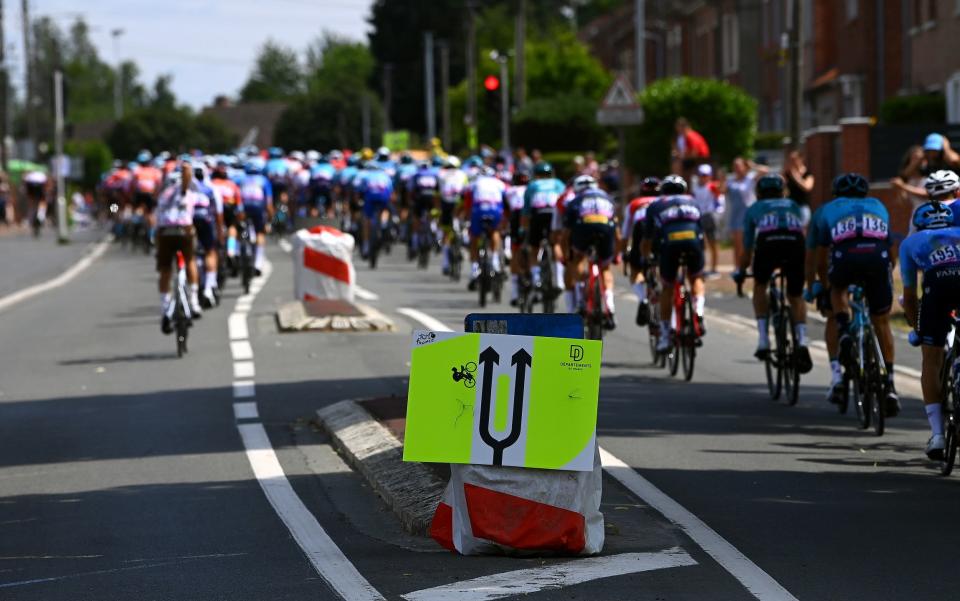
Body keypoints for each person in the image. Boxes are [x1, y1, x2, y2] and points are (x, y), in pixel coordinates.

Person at [808, 173, 900, 416]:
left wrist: (821, 284)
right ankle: (889, 383)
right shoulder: (878, 205)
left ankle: (844, 329)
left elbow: (818, 256)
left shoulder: (826, 209)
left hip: (845, 255)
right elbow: (891, 252)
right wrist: (886, 273)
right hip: (877, 257)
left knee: (837, 291)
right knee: (881, 320)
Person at [901, 195, 960, 459]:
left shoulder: (911, 242)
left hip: (936, 288)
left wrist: (916, 328)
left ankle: (937, 435)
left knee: (931, 359)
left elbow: (910, 296)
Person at [733, 174, 812, 372]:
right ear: (782, 191)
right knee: (795, 295)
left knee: (760, 285)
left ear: (758, 193)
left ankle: (763, 340)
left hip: (768, 244)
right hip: (795, 244)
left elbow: (748, 247)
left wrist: (742, 271)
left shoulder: (754, 209)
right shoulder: (793, 205)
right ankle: (802, 341)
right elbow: (802, 231)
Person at [644, 175, 706, 352]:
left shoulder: (655, 205)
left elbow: (647, 239)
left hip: (670, 245)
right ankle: (699, 312)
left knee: (668, 288)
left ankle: (665, 336)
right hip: (693, 243)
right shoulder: (693, 202)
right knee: (696, 278)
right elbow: (702, 233)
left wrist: (646, 258)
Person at [561, 175, 618, 329]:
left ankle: (580, 298)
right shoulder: (607, 198)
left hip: (583, 227)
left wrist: (567, 254)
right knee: (605, 268)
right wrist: (616, 254)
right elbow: (617, 231)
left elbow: (565, 234)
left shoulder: (575, 200)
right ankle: (610, 305)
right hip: (606, 228)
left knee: (578, 258)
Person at [155, 161, 204, 333]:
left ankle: (165, 307)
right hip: (183, 230)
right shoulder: (182, 190)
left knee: (165, 270)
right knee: (190, 259)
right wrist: (187, 169)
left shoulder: (162, 195)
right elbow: (186, 181)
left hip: (163, 231)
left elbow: (157, 220)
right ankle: (193, 301)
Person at [523, 162, 566, 297]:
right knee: (556, 244)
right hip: (554, 213)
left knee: (534, 248)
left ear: (536, 175)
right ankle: (559, 280)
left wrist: (524, 229)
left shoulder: (533, 185)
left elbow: (526, 210)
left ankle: (536, 279)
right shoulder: (558, 183)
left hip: (538, 213)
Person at [621, 177, 660, 326]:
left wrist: (624, 252)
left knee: (636, 269)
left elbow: (625, 233)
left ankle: (643, 298)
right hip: (659, 228)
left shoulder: (634, 204)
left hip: (641, 227)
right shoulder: (663, 202)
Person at [721, 157, 769, 267]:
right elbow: (722, 191)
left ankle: (750, 265)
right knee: (737, 244)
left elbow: (765, 171)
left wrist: (752, 165)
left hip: (749, 214)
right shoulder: (730, 180)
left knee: (749, 243)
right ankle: (738, 267)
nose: (736, 168)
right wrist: (722, 180)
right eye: (735, 166)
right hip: (736, 215)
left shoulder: (750, 178)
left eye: (739, 165)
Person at [465, 166, 507, 289]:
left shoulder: (473, 183)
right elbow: (507, 201)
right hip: (495, 211)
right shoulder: (500, 183)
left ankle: (474, 271)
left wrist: (467, 219)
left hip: (478, 211)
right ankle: (494, 261)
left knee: (474, 238)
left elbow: (468, 203)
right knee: (495, 232)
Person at [239, 159, 274, 276]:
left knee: (238, 227)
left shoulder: (241, 179)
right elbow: (268, 203)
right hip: (259, 207)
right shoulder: (264, 180)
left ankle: (236, 252)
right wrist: (269, 220)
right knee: (260, 233)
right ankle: (258, 263)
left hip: (244, 207)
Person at [691, 164, 724, 276]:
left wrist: (718, 212)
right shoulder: (695, 188)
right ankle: (702, 267)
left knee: (713, 242)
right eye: (701, 175)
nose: (703, 177)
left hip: (710, 216)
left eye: (705, 175)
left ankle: (714, 268)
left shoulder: (712, 186)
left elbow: (720, 198)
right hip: (698, 217)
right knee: (700, 243)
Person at [359, 162, 395, 258]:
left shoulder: (365, 175)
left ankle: (366, 246)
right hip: (383, 199)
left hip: (370, 199)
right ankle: (384, 224)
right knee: (386, 210)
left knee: (366, 219)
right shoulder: (385, 176)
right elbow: (390, 191)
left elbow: (360, 190)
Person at [506, 171, 530, 306]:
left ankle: (515, 292)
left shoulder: (510, 190)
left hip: (516, 216)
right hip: (531, 216)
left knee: (515, 251)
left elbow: (506, 211)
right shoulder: (531, 188)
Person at [891, 145, 929, 218]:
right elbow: (904, 203)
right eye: (914, 159)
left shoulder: (930, 177)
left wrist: (903, 186)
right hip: (916, 216)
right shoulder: (908, 180)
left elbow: (926, 193)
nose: (919, 162)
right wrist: (899, 189)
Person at [783, 150, 815, 226]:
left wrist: (795, 175)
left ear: (800, 159)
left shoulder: (807, 174)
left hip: (802, 206)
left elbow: (807, 187)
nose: (792, 162)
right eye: (790, 160)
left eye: (794, 159)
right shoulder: (788, 173)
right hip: (790, 206)